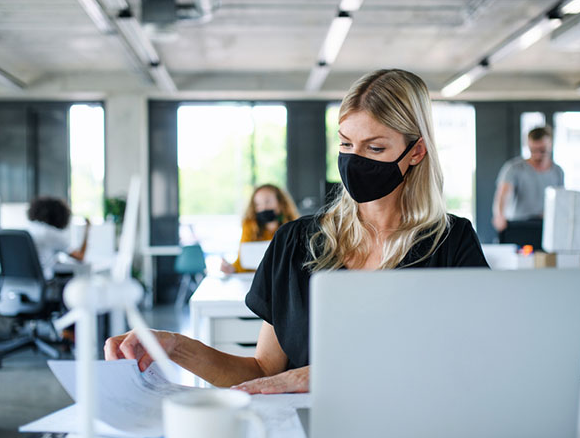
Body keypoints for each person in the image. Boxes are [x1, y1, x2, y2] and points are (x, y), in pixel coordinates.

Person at [105, 69, 488, 394]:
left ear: (416, 152)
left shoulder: (451, 245)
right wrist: (174, 347)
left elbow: (469, 369)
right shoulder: (295, 242)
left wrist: (325, 377)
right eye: (346, 144)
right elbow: (264, 372)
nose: (354, 161)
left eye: (374, 148)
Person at [491, 126, 564, 233]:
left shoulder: (558, 171)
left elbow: (560, 199)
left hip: (547, 226)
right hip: (520, 225)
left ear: (550, 145)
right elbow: (503, 194)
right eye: (533, 150)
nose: (538, 155)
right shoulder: (514, 168)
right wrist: (499, 215)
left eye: (542, 150)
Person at [220, 184, 300, 274]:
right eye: (258, 204)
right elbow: (242, 262)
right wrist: (231, 269)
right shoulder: (249, 226)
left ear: (280, 203)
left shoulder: (294, 227)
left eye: (267, 202)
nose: (263, 208)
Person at [26, 196, 90, 280]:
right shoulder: (50, 233)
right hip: (43, 281)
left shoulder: (30, 227)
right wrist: (87, 230)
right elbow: (80, 257)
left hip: (17, 282)